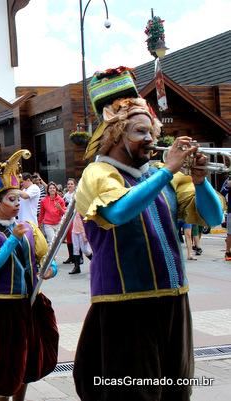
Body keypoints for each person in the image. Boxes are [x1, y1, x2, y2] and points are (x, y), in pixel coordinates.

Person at [73, 67, 223, 400]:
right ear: (115, 134)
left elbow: (212, 217)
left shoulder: (157, 174)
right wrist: (168, 171)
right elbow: (118, 212)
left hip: (174, 301)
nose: (151, 141)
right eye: (141, 132)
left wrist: (199, 181)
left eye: (152, 131)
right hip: (125, 306)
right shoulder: (97, 173)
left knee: (175, 392)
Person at [0, 150, 59, 401]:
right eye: (11, 199)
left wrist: (49, 271)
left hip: (29, 304)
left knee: (27, 363)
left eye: (18, 199)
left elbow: (43, 261)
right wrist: (12, 239)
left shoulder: (30, 228)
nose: (18, 204)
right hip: (1, 308)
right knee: (5, 366)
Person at [62, 178, 78, 264]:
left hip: (75, 218)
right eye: (68, 184)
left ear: (75, 185)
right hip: (67, 218)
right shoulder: (65, 195)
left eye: (71, 184)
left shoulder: (77, 195)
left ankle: (79, 258)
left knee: (75, 238)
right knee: (68, 238)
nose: (69, 185)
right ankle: (71, 257)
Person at [221, 178, 231, 261]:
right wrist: (227, 186)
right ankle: (228, 252)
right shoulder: (229, 180)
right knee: (230, 234)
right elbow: (221, 194)